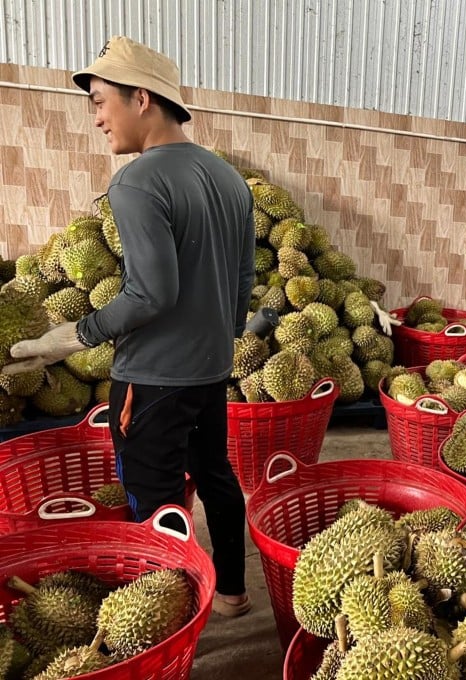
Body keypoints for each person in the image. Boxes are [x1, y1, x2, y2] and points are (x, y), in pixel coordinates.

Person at [3, 36, 255, 617]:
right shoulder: (229, 179)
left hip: (154, 379)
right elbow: (241, 288)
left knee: (156, 500)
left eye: (99, 102)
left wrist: (69, 337)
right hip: (209, 370)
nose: (96, 118)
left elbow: (151, 294)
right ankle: (234, 595)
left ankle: (170, 620)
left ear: (141, 98)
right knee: (216, 476)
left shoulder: (138, 181)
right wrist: (215, 336)